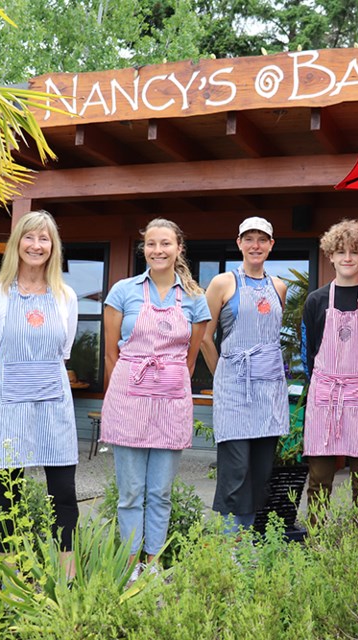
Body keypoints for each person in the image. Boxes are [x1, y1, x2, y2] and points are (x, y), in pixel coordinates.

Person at [99, 218, 209, 577]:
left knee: (160, 492)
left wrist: (166, 383)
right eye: (150, 244)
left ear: (179, 248)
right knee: (130, 492)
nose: (157, 251)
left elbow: (190, 358)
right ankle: (129, 564)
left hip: (171, 401)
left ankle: (153, 563)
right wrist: (130, 389)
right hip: (128, 398)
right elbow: (111, 354)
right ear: (143, 248)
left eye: (165, 244)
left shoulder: (195, 299)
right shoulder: (122, 291)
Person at [0, 210, 79, 575]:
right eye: (30, 237)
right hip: (9, 407)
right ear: (17, 243)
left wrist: (33, 379)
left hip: (53, 404)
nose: (36, 245)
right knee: (8, 495)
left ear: (53, 247)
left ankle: (66, 578)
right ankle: (11, 580)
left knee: (63, 493)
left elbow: (62, 354)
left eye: (44, 238)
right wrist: (10, 383)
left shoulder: (66, 296)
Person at [301, 219, 358, 524]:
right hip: (326, 397)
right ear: (330, 255)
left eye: (355, 252)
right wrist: (323, 384)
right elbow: (307, 351)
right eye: (341, 251)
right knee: (318, 478)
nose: (348, 258)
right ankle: (316, 540)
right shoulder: (315, 301)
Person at [201, 217, 289, 532]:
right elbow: (204, 337)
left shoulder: (278, 286)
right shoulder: (223, 283)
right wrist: (222, 376)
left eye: (262, 239)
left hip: (268, 390)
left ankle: (248, 542)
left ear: (271, 245)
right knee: (235, 469)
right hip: (235, 389)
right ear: (239, 243)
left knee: (260, 470)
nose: (255, 245)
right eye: (249, 239)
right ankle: (229, 546)